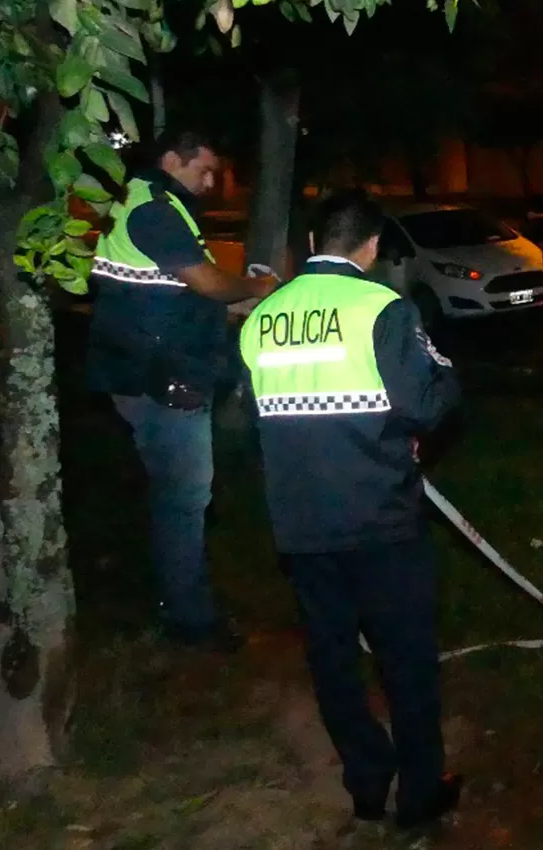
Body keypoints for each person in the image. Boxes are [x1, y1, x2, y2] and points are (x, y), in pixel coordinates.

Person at [238, 189, 463, 831]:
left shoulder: (263, 317)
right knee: (407, 660)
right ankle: (420, 794)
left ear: (313, 244)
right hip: (380, 519)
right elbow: (423, 402)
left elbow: (267, 414)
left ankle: (366, 782)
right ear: (370, 247)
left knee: (332, 660)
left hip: (300, 525)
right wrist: (440, 377)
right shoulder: (380, 308)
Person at [88, 126, 277, 653]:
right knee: (185, 497)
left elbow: (168, 288)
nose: (212, 180)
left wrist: (224, 305)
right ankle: (190, 618)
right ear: (173, 159)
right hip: (162, 376)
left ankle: (175, 586)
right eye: (205, 169)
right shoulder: (153, 207)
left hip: (139, 369)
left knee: (174, 491)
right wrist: (255, 287)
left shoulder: (146, 201)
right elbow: (206, 282)